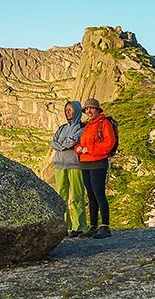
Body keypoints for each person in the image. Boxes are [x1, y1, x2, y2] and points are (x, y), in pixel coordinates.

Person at [75, 97, 117, 238]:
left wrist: (89, 149)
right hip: (85, 163)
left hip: (98, 163)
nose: (89, 111)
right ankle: (93, 226)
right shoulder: (87, 126)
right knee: (91, 195)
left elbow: (109, 143)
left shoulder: (104, 123)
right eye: (87, 109)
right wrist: (78, 149)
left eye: (92, 108)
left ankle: (105, 227)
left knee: (99, 194)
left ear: (98, 110)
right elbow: (82, 143)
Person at [50, 100, 89, 238]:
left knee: (77, 196)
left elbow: (72, 141)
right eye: (66, 110)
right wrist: (62, 145)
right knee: (61, 196)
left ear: (77, 111)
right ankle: (64, 227)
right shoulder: (61, 128)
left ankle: (79, 226)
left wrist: (61, 144)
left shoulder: (82, 127)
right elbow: (52, 142)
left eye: (70, 109)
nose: (68, 112)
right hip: (59, 165)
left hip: (75, 165)